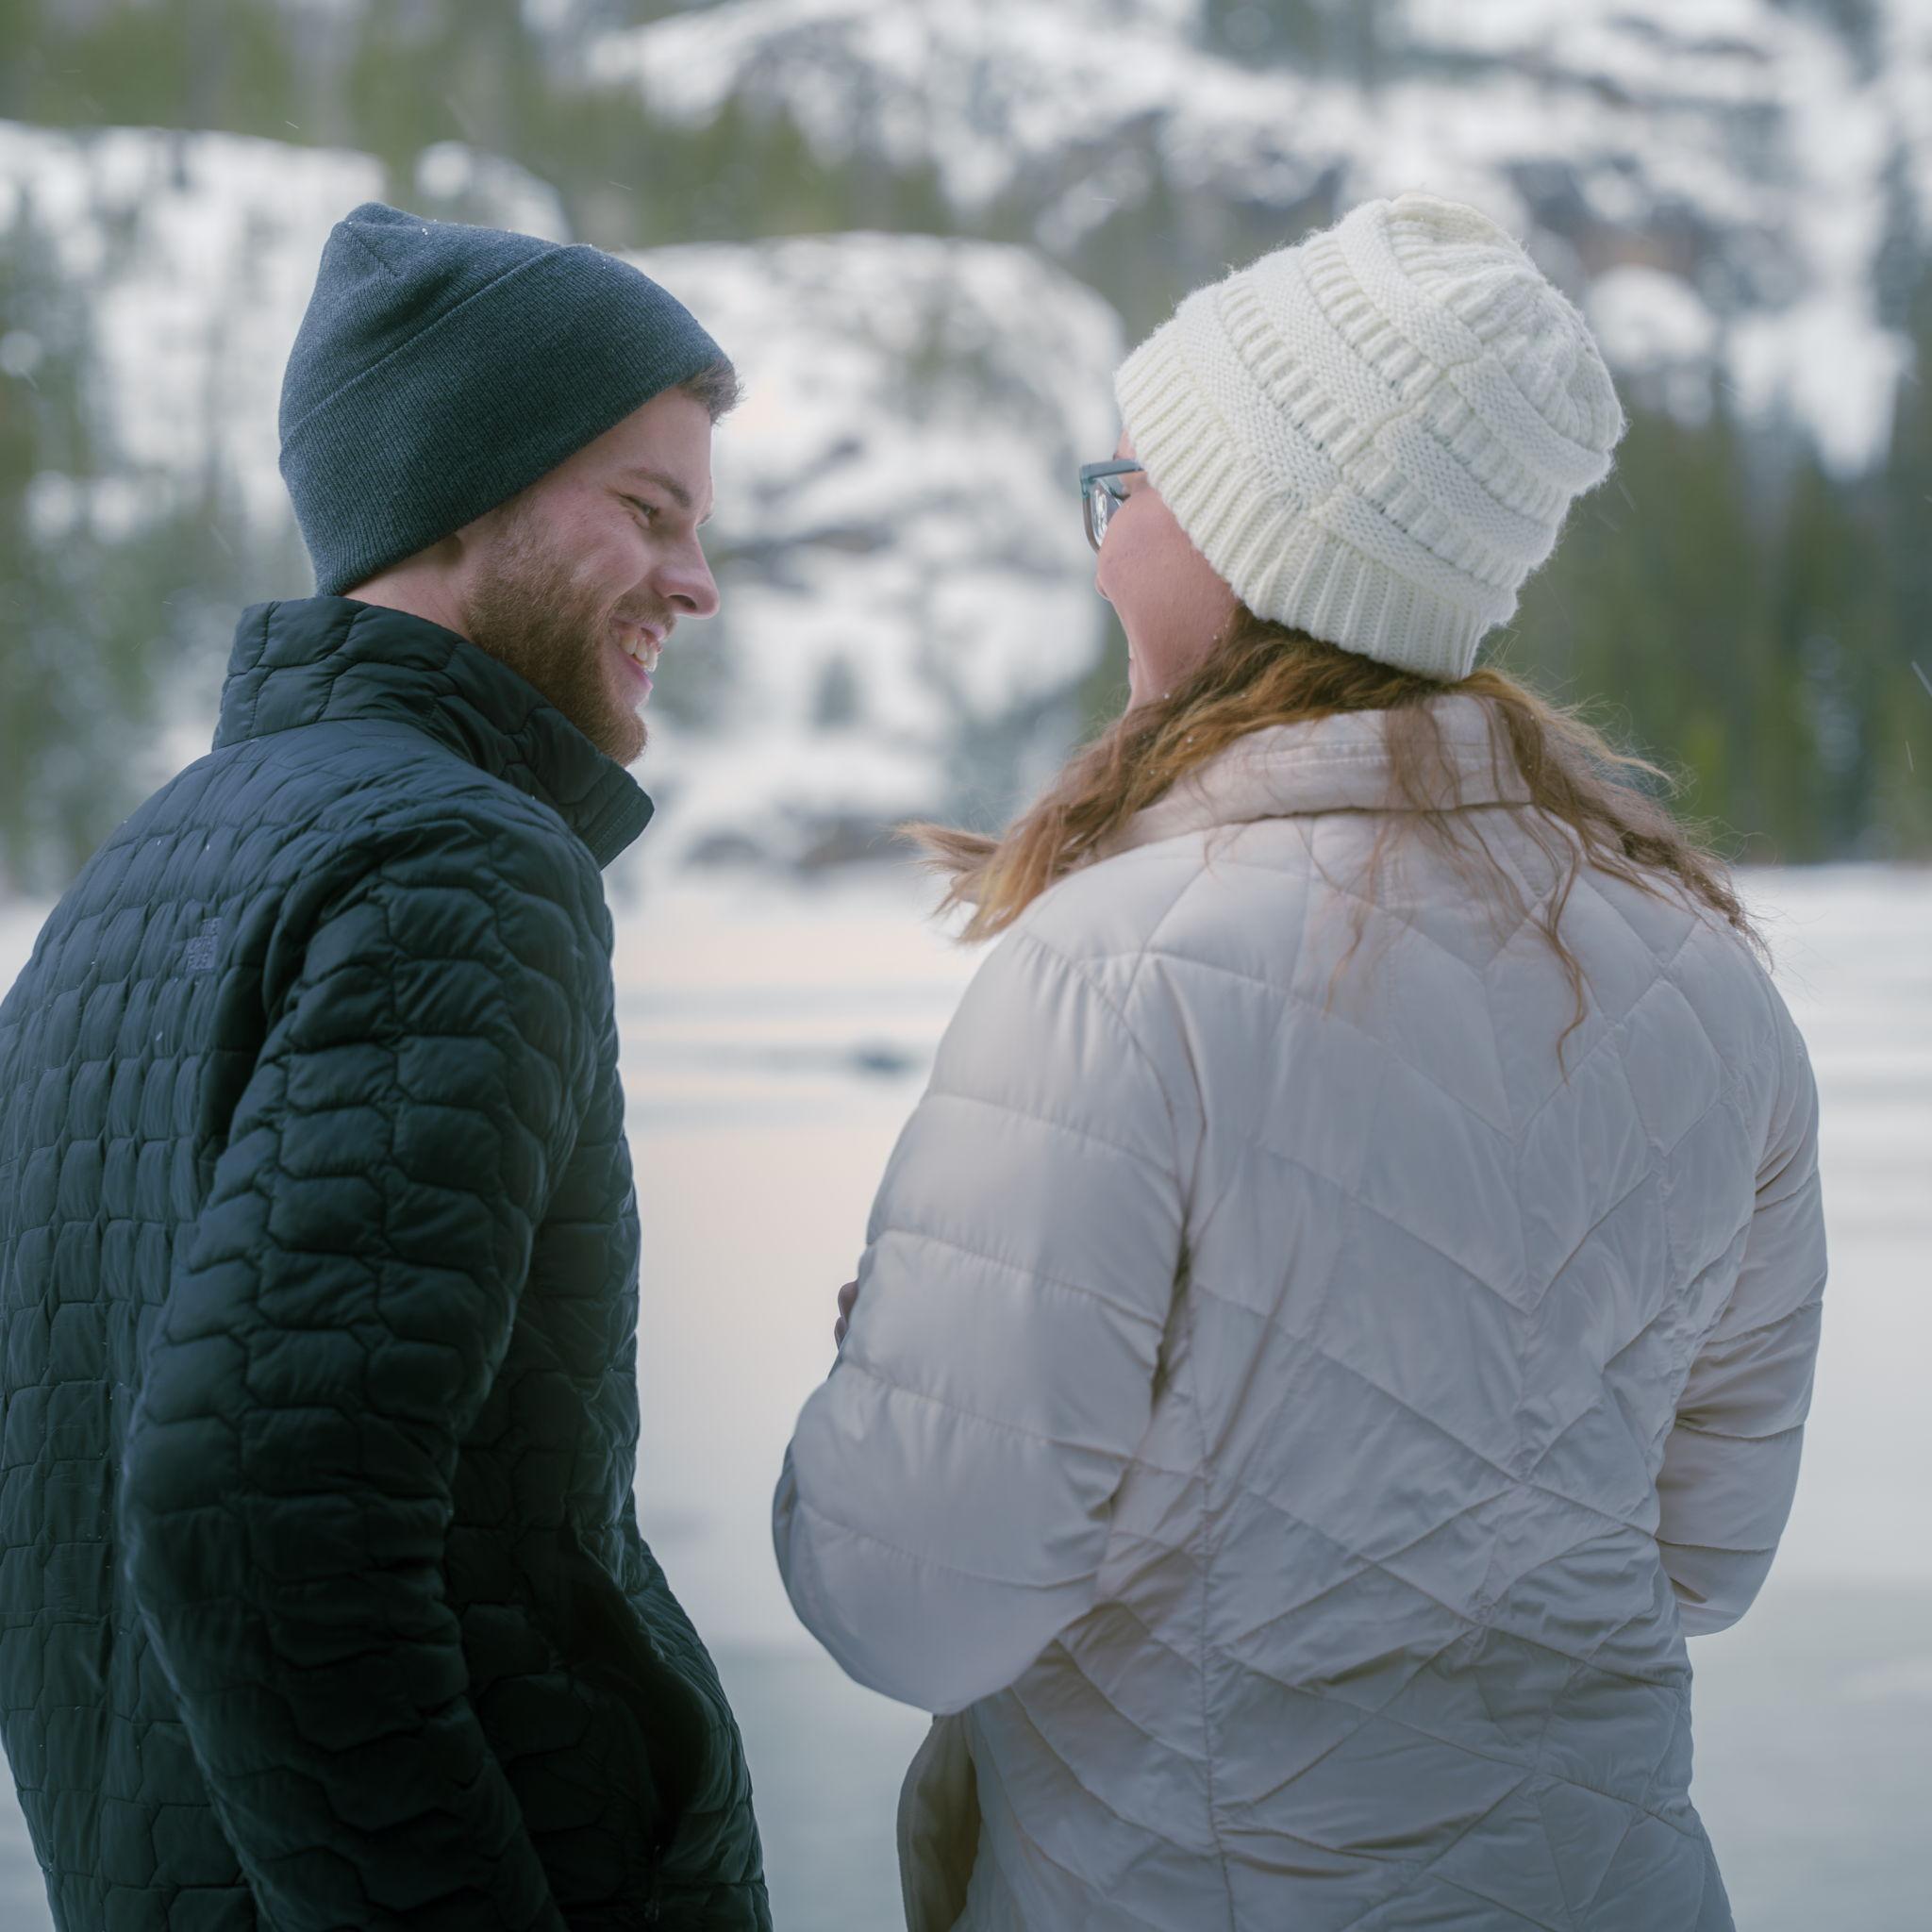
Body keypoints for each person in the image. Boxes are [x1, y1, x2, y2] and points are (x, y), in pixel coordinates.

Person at [774, 191, 1828, 1931]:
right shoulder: (1712, 986)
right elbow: (1702, 1559)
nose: (1101, 546)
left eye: (1125, 494)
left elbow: (910, 1597)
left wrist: (887, 1387)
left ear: (1254, 543)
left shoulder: (1116, 974)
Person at [0, 202, 769, 1930]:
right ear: (456, 493)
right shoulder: (458, 865)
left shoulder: (129, 880)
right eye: (648, 512)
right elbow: (257, 1520)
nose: (696, 581)